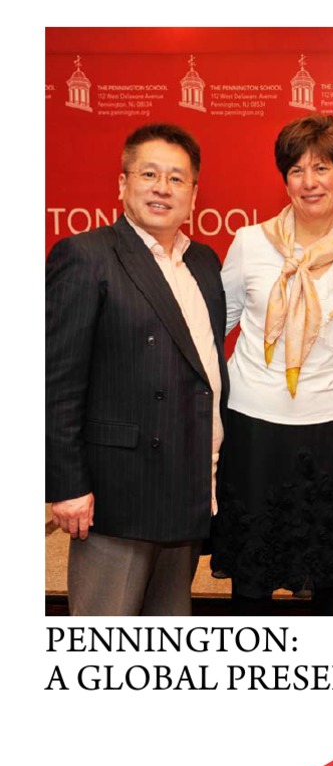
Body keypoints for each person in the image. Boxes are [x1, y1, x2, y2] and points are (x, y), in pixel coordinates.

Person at [211, 114, 333, 616]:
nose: (310, 182)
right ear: (285, 179)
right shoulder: (250, 243)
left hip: (328, 436)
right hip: (251, 432)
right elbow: (211, 331)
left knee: (332, 585)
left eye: (322, 168)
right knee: (250, 585)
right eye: (296, 170)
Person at [46, 123, 227, 616]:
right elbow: (56, 383)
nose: (162, 188)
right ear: (122, 184)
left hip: (188, 483)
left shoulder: (204, 263)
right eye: (149, 174)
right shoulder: (86, 256)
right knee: (106, 638)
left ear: (194, 194)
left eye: (176, 178)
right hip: (116, 495)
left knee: (168, 631)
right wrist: (67, 486)